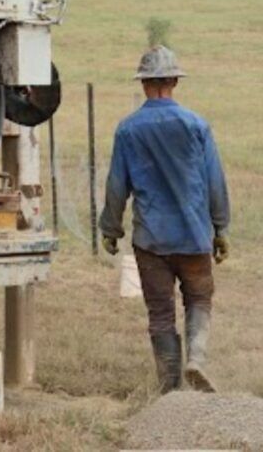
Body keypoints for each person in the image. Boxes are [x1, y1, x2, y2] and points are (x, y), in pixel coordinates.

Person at [99, 45, 230, 394]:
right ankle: (197, 359)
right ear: (174, 81)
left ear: (144, 84)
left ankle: (170, 391)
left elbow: (117, 186)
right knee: (199, 299)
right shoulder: (197, 126)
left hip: (151, 241)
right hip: (193, 236)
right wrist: (221, 229)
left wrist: (110, 228)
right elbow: (215, 181)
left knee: (160, 314)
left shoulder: (127, 130)